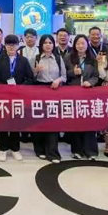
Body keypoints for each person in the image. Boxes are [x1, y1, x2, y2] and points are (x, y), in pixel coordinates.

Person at [0, 34, 35, 162]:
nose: (11, 47)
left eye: (14, 44)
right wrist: (2, 87)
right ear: (5, 46)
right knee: (2, 123)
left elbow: (30, 78)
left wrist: (20, 88)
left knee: (16, 123)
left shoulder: (23, 60)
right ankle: (2, 149)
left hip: (17, 97)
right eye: (8, 44)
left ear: (17, 46)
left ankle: (15, 149)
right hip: (2, 96)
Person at [65, 34, 101, 160]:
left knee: (89, 122)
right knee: (75, 123)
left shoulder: (92, 59)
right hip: (72, 94)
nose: (80, 46)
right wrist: (72, 73)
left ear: (87, 44)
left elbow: (96, 76)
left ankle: (91, 151)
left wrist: (90, 82)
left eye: (83, 43)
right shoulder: (68, 57)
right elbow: (62, 74)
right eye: (78, 43)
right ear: (74, 45)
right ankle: (77, 150)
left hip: (88, 95)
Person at [32, 34, 66, 163]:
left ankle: (52, 153)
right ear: (41, 45)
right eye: (45, 43)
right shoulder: (35, 58)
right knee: (39, 121)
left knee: (53, 122)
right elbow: (29, 77)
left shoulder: (58, 58)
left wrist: (58, 80)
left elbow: (64, 76)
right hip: (39, 91)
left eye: (50, 43)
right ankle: (39, 150)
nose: (48, 45)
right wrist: (36, 71)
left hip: (54, 91)